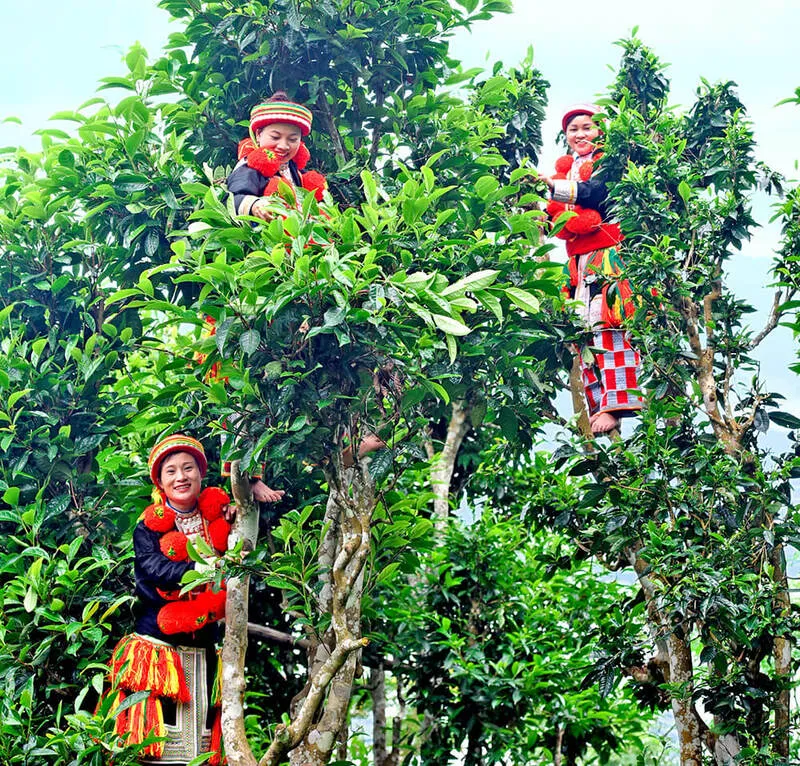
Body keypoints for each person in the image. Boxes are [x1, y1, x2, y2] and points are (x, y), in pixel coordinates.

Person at [105, 435, 237, 764]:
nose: (181, 477)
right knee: (152, 746)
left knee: (200, 748)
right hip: (157, 645)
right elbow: (153, 568)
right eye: (171, 471)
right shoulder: (147, 528)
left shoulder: (218, 519)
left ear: (201, 474)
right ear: (160, 482)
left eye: (188, 468)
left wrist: (238, 512)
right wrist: (200, 567)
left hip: (204, 645)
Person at [542, 103, 643, 435]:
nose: (580, 134)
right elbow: (559, 214)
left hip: (608, 255)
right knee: (582, 332)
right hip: (578, 262)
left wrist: (550, 188)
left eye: (587, 127)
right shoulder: (569, 168)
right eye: (573, 129)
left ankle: (617, 406)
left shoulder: (610, 163)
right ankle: (596, 405)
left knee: (609, 324)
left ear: (601, 131)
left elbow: (596, 195)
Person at [226, 92, 327, 219]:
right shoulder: (250, 167)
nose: (283, 146)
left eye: (292, 139)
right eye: (275, 137)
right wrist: (254, 205)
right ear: (258, 135)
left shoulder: (294, 169)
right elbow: (231, 200)